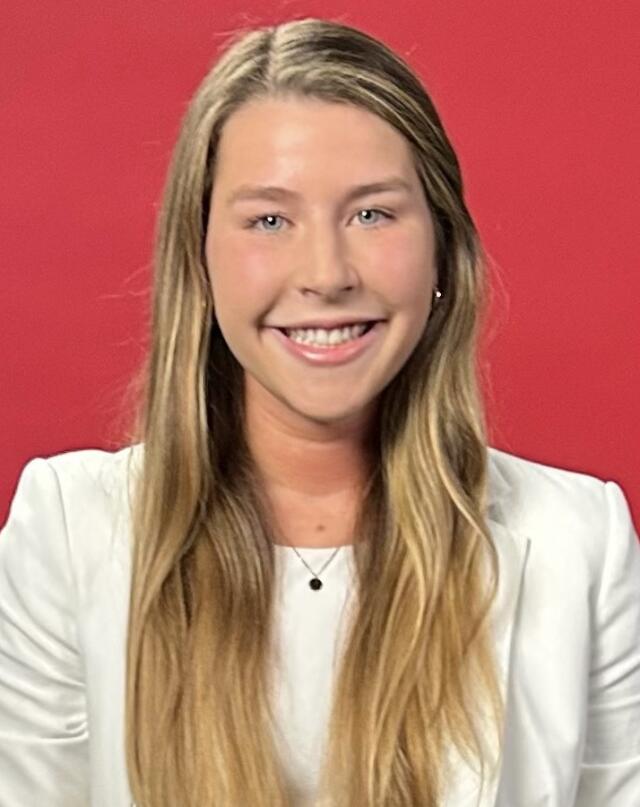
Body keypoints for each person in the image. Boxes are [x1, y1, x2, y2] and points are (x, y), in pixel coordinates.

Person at [0, 16, 638, 807]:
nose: (326, 273)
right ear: (199, 260)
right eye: (269, 219)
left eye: (372, 213)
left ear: (442, 248)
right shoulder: (64, 532)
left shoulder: (583, 542)